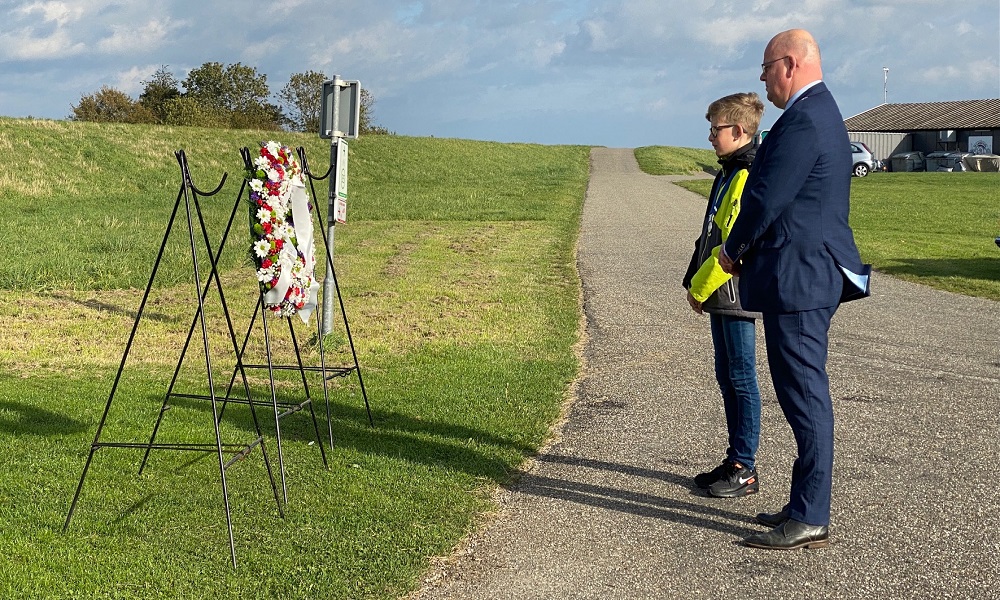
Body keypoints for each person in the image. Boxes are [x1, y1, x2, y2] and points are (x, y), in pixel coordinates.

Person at [719, 29, 868, 550]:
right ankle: (803, 503)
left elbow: (765, 198)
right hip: (802, 274)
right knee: (799, 392)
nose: (761, 78)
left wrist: (731, 250)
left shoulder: (805, 118)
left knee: (804, 394)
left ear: (788, 64)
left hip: (802, 278)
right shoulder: (817, 112)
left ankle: (810, 513)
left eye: (765, 67)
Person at [682, 92, 765, 499]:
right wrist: (691, 278)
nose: (711, 137)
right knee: (726, 375)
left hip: (733, 288)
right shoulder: (729, 170)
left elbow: (733, 241)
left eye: (716, 129)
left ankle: (745, 466)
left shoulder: (746, 172)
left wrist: (700, 287)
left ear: (739, 130)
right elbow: (710, 231)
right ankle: (735, 456)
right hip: (718, 287)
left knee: (741, 376)